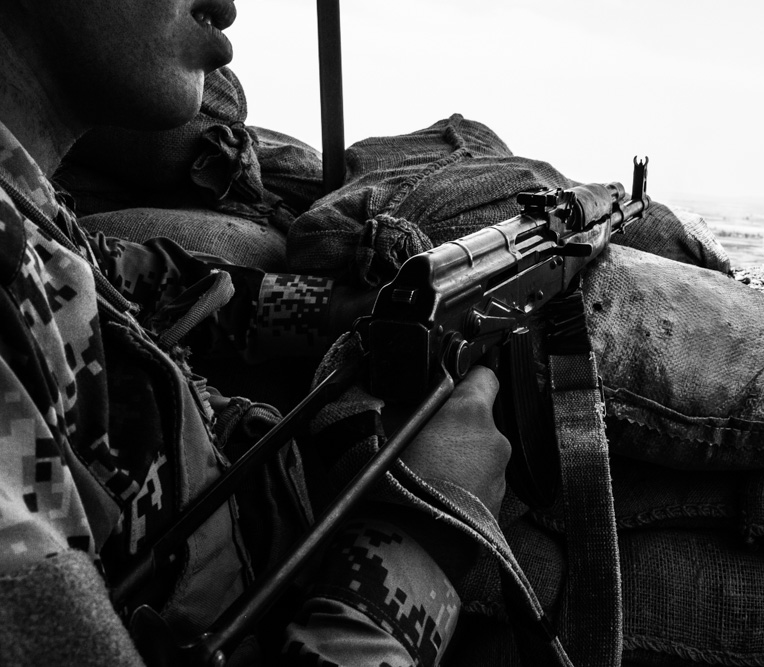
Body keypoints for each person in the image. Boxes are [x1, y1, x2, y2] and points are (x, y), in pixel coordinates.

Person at [0, 1, 510, 665]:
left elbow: (149, 288)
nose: (227, 3)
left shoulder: (32, 220)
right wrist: (420, 545)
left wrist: (344, 306)